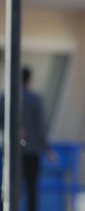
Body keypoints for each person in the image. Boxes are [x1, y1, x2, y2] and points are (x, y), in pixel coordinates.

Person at [0, 67, 55, 211]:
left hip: (11, 150)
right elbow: (40, 128)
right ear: (29, 80)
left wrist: (11, 131)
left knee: (10, 185)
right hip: (32, 150)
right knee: (31, 188)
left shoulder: (5, 97)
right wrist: (47, 149)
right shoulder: (35, 99)